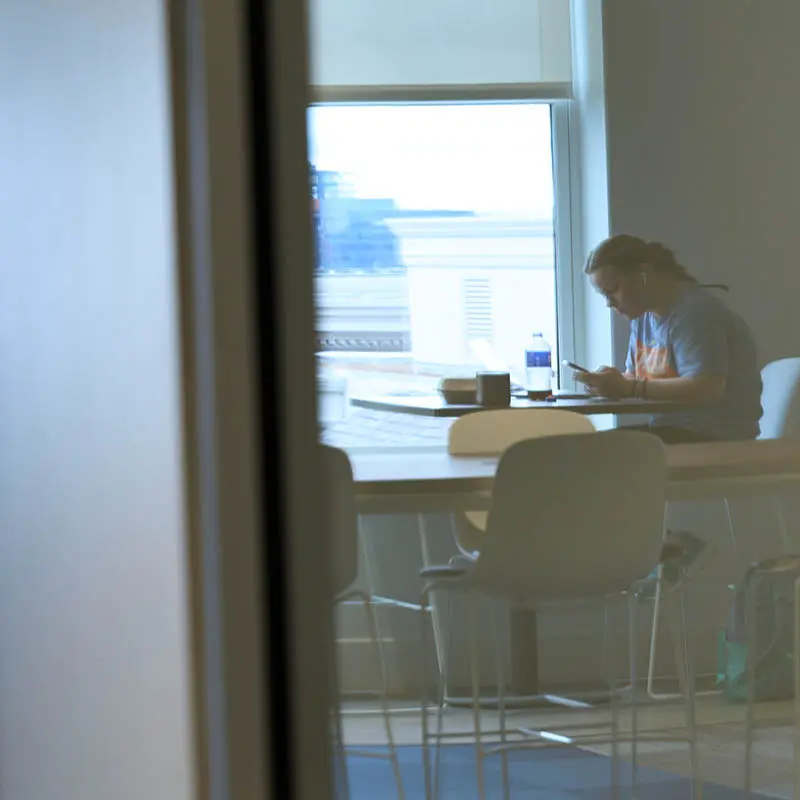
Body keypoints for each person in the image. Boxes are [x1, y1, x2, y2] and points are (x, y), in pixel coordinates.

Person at [575, 234, 763, 443]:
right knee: (588, 448)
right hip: (674, 430)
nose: (609, 303)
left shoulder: (695, 313)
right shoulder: (642, 315)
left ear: (644, 274)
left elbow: (708, 389)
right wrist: (611, 382)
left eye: (613, 290)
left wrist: (628, 387)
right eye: (604, 295)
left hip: (716, 437)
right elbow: (636, 378)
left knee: (593, 451)